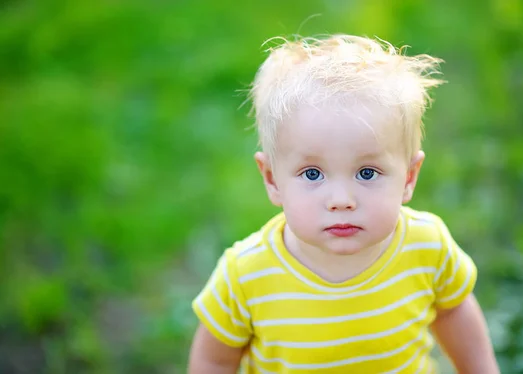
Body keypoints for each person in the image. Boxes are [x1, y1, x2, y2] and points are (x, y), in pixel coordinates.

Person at [187, 34, 499, 374]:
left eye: (366, 172)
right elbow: (214, 360)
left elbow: (453, 311)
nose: (341, 201)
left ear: (409, 177)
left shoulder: (427, 246)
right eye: (311, 174)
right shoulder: (245, 276)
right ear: (272, 179)